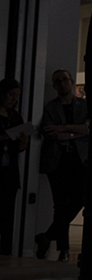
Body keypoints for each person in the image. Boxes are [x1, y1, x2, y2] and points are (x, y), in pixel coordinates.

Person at [35, 70, 89, 262]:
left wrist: (65, 129)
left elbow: (88, 129)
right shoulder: (51, 107)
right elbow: (50, 132)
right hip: (57, 160)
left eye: (64, 80)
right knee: (60, 204)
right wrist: (76, 131)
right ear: (54, 86)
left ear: (71, 81)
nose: (61, 84)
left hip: (78, 159)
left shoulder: (83, 105)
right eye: (57, 81)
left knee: (79, 199)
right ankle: (63, 249)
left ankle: (47, 237)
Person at [0, 79, 30, 256]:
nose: (13, 99)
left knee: (7, 213)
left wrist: (23, 141)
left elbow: (20, 147)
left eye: (16, 96)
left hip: (9, 171)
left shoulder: (15, 117)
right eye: (11, 95)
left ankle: (5, 252)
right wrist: (5, 137)